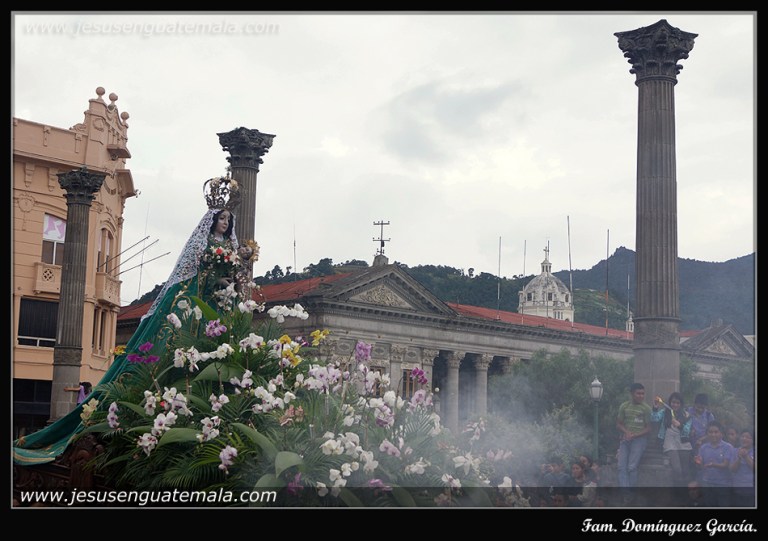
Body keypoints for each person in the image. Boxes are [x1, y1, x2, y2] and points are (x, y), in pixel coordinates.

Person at [13, 176, 253, 465]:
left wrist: (234, 272)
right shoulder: (204, 246)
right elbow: (195, 268)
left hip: (219, 302)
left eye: (229, 219)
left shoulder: (228, 248)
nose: (225, 223)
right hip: (200, 299)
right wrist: (215, 272)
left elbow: (232, 270)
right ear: (212, 220)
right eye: (221, 218)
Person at [616, 382, 652, 505]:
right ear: (632, 394)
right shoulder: (624, 406)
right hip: (626, 439)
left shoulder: (646, 408)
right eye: (638, 393)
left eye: (643, 393)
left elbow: (648, 428)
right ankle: (626, 494)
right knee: (621, 467)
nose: (641, 396)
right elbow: (619, 423)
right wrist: (627, 432)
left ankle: (631, 493)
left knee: (632, 467)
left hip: (639, 440)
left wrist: (635, 435)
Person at [651, 392, 693, 490]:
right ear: (670, 403)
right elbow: (654, 419)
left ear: (681, 404)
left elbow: (687, 430)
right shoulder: (665, 412)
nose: (675, 405)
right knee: (677, 469)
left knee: (685, 470)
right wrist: (655, 407)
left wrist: (680, 425)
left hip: (683, 442)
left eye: (678, 403)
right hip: (669, 442)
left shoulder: (686, 415)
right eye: (673, 402)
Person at [695, 420, 736, 507]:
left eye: (716, 432)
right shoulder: (703, 448)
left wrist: (713, 465)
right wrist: (698, 463)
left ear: (721, 433)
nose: (713, 434)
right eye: (710, 432)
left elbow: (726, 465)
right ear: (707, 434)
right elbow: (701, 467)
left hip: (723, 485)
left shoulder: (728, 447)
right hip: (707, 484)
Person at [729, 429, 755, 507]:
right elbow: (732, 469)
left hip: (752, 491)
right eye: (743, 436)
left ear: (753, 440)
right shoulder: (734, 451)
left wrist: (746, 456)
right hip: (737, 490)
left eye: (748, 437)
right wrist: (739, 458)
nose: (744, 439)